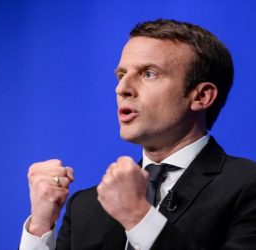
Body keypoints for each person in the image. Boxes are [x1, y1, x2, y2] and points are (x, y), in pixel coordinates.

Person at [20, 19, 256, 250]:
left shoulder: (246, 186)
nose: (122, 88)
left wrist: (138, 217)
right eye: (121, 75)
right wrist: (40, 227)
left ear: (201, 96)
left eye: (149, 74)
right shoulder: (86, 207)